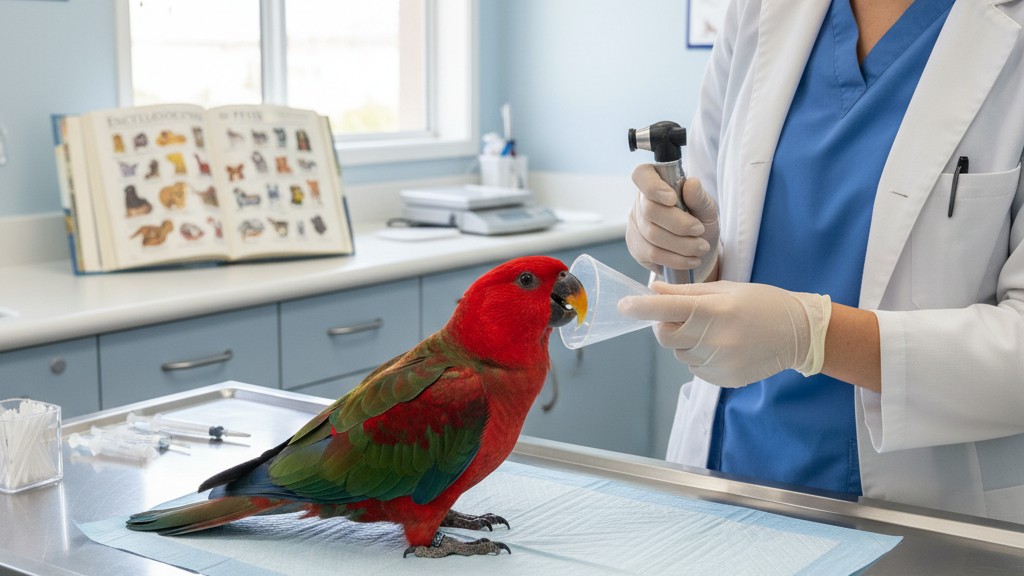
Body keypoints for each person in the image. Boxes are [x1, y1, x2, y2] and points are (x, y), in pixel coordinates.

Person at [620, 0, 1024, 523]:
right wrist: (682, 244)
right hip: (730, 468)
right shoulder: (761, 10)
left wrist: (811, 335)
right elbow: (712, 227)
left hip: (924, 507)